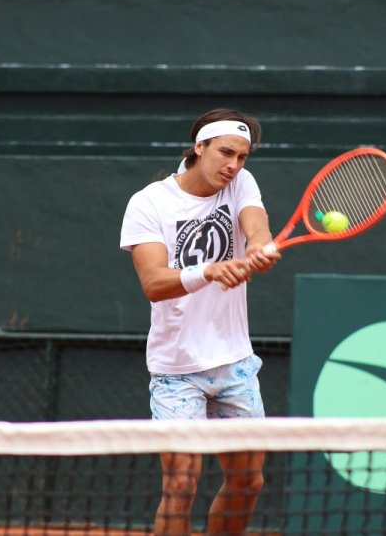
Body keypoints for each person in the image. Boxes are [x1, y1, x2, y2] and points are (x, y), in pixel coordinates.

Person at [119, 108, 281, 536]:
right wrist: (207, 271)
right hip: (177, 371)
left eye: (242, 156)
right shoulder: (149, 203)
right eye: (225, 152)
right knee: (181, 485)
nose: (234, 165)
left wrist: (259, 245)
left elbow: (256, 225)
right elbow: (154, 284)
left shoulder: (241, 183)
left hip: (234, 363)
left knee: (248, 482)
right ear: (199, 147)